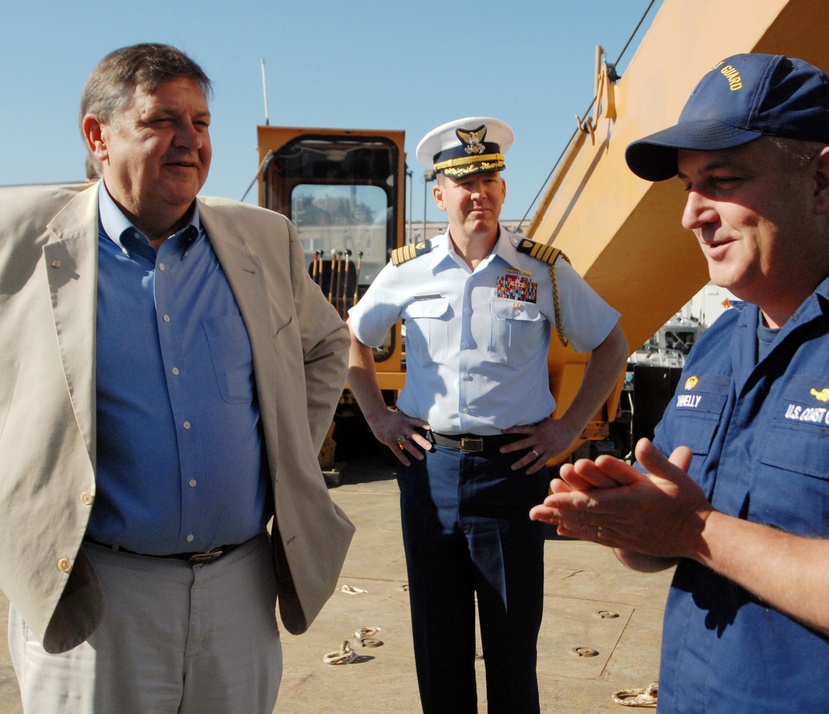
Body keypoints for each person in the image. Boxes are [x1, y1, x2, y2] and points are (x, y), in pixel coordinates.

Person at [530, 53, 829, 712]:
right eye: (688, 186)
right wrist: (630, 522)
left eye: (722, 180)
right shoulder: (722, 343)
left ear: (824, 180)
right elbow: (673, 543)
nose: (693, 214)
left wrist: (694, 529)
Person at [0, 43, 355, 714]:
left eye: (201, 122)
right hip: (99, 600)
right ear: (97, 136)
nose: (190, 141)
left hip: (239, 593)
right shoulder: (18, 240)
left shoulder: (263, 240)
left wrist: (287, 457)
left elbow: (324, 346)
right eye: (163, 120)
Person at [347, 116, 628, 713]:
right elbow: (354, 338)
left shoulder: (542, 269)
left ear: (502, 188)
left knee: (511, 647)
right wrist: (377, 417)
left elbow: (610, 342)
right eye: (463, 181)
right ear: (439, 193)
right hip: (430, 471)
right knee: (438, 648)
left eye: (490, 179)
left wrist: (568, 427)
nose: (479, 192)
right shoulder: (406, 270)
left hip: (512, 474)